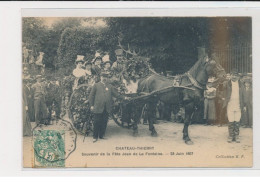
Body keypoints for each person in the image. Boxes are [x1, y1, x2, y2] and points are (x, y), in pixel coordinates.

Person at [89, 72, 128, 143]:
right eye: (103, 77)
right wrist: (91, 105)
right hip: (98, 107)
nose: (104, 78)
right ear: (100, 77)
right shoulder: (96, 85)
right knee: (97, 122)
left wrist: (124, 97)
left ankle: (101, 135)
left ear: (107, 78)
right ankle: (95, 137)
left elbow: (117, 95)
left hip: (107, 107)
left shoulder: (110, 86)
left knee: (104, 121)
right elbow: (91, 96)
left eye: (106, 77)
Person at [223, 68, 244, 143]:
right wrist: (223, 99)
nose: (234, 77)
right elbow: (221, 92)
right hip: (230, 105)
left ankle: (237, 136)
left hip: (238, 105)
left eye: (235, 75)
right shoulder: (227, 84)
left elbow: (243, 95)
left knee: (237, 120)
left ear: (238, 76)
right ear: (230, 76)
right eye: (232, 75)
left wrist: (243, 105)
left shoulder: (241, 84)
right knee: (231, 120)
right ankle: (231, 136)